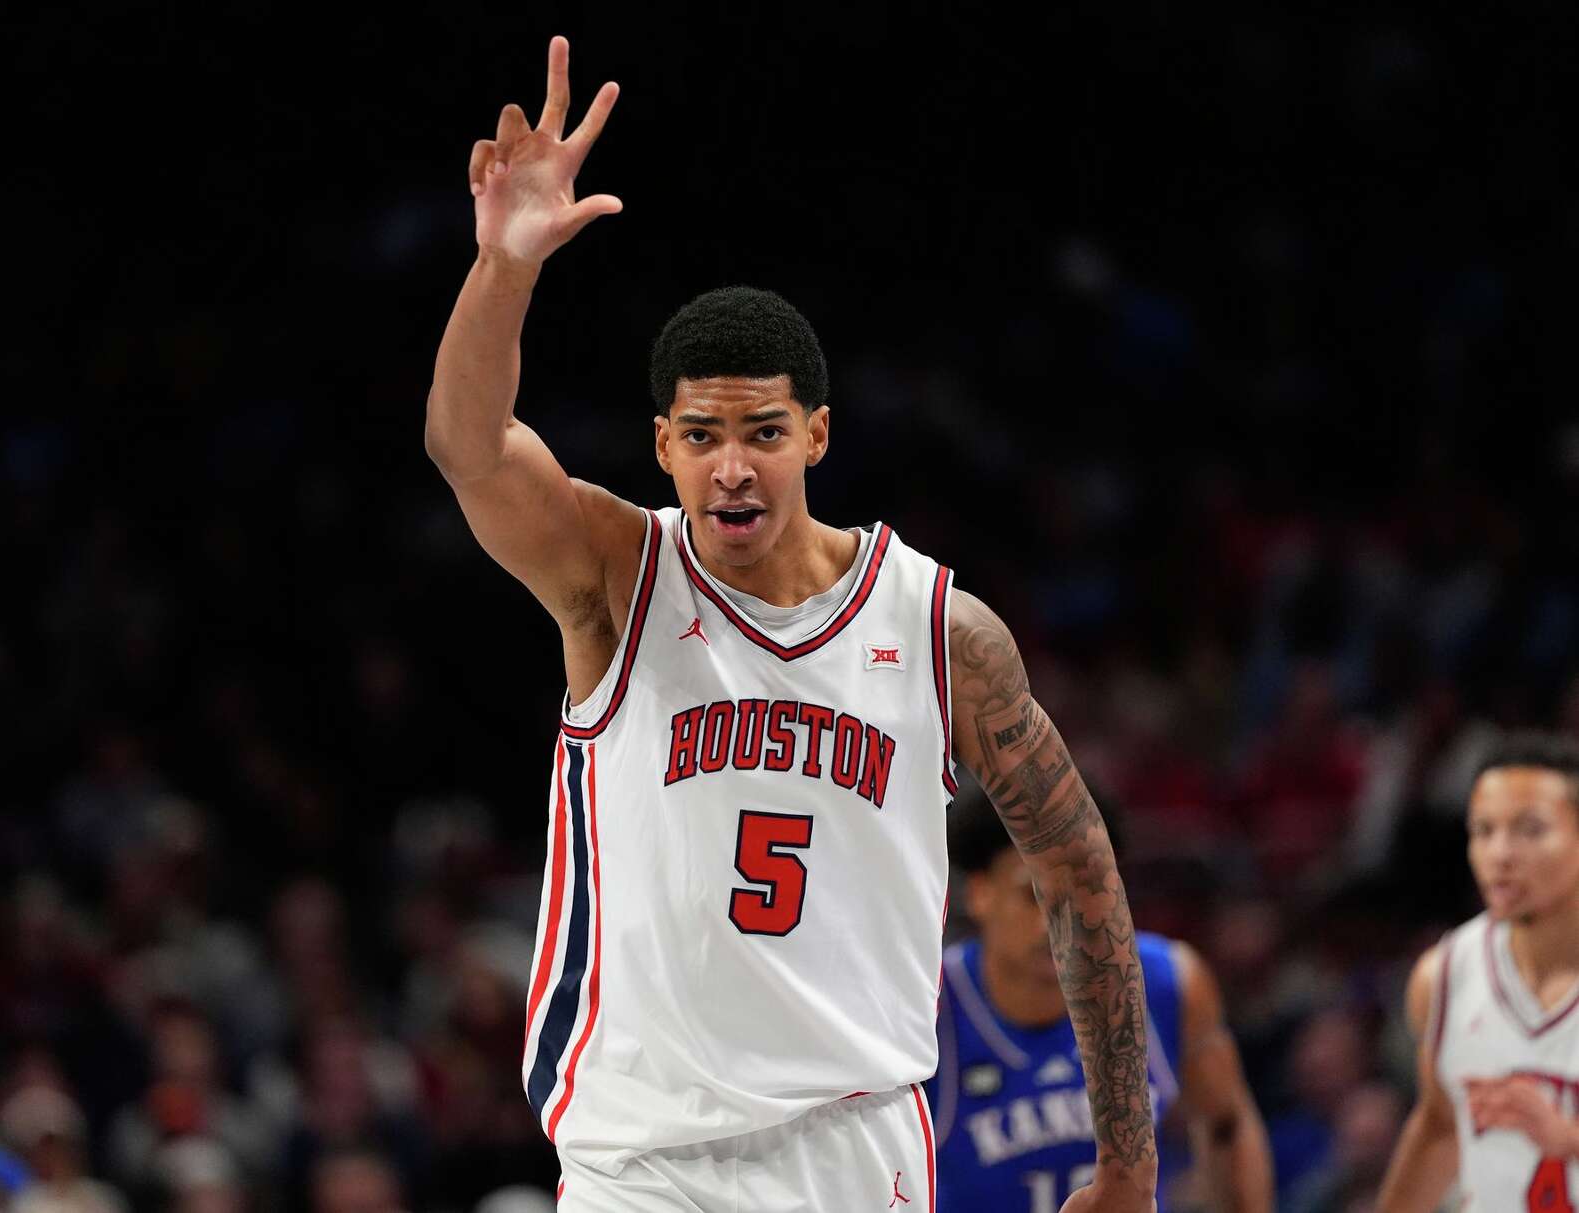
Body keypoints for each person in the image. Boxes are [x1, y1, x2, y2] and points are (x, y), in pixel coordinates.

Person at [424, 35, 1157, 1212]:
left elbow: (1076, 868)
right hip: (641, 1160)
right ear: (661, 446)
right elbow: (466, 447)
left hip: (856, 1150)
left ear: (815, 436)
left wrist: (1125, 1157)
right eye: (701, 436)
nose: (731, 467)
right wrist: (504, 271)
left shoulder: (937, 628)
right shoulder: (619, 576)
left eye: (762, 432)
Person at [927, 794, 1272, 1212]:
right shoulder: (932, 1003)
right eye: (1031, 895)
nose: (1056, 922)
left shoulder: (1166, 983)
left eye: (1076, 894)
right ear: (980, 894)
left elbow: (1227, 1126)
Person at [1377, 731, 1579, 1211]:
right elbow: (1440, 1127)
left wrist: (1566, 1138)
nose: (1501, 855)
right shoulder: (1445, 974)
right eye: (1484, 831)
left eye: (1531, 830)